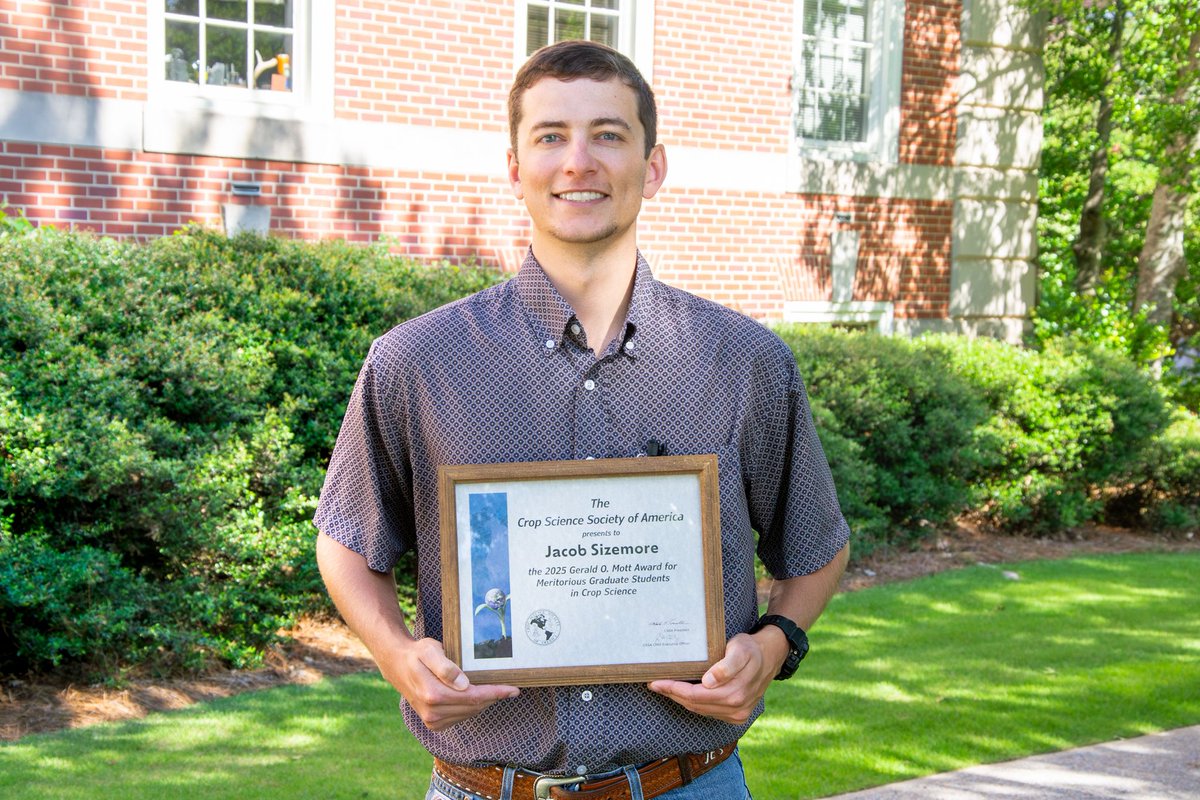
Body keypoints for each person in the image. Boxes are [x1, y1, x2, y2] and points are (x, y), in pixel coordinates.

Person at [314, 39, 850, 800]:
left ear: (652, 166)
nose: (578, 162)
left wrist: (774, 645)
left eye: (608, 134)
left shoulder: (743, 361)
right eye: (550, 137)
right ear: (515, 169)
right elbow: (348, 543)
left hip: (690, 784)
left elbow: (816, 546)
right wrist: (397, 653)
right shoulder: (417, 362)